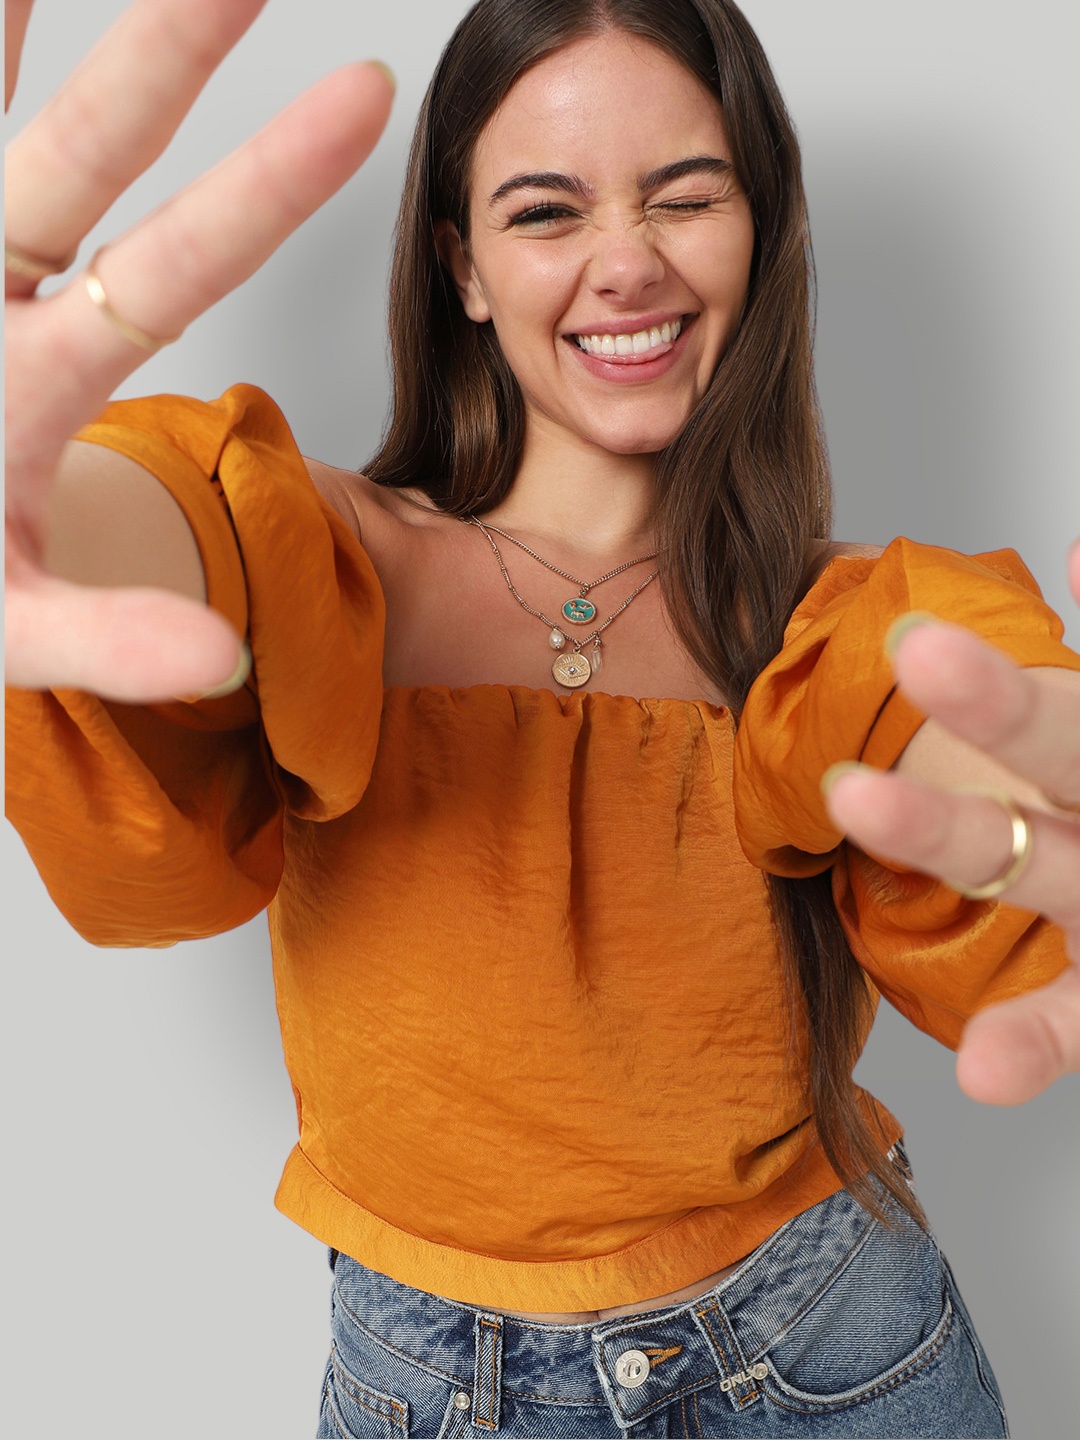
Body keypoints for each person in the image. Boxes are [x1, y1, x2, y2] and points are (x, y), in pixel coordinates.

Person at [6, 0, 1080, 1436]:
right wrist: (35, 497)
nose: (626, 262)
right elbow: (156, 523)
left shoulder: (839, 620)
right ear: (461, 266)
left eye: (686, 197)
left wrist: (1029, 772)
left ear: (760, 233)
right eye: (544, 210)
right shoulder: (331, 558)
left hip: (837, 1349)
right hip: (437, 1386)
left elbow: (961, 728)